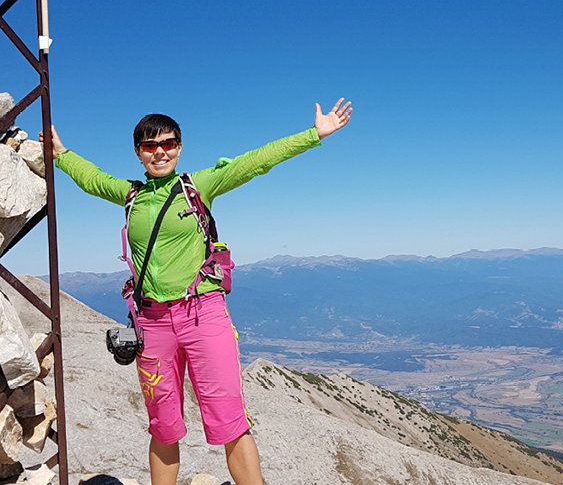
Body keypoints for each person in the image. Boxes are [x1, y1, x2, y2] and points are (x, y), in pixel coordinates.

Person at [45, 99, 353, 485]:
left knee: (230, 421)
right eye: (149, 145)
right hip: (152, 323)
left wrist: (313, 135)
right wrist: (62, 154)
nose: (160, 152)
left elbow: (252, 162)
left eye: (168, 143)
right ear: (138, 153)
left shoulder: (197, 186)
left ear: (180, 146)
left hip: (203, 315)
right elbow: (93, 178)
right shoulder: (131, 196)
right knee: (163, 425)